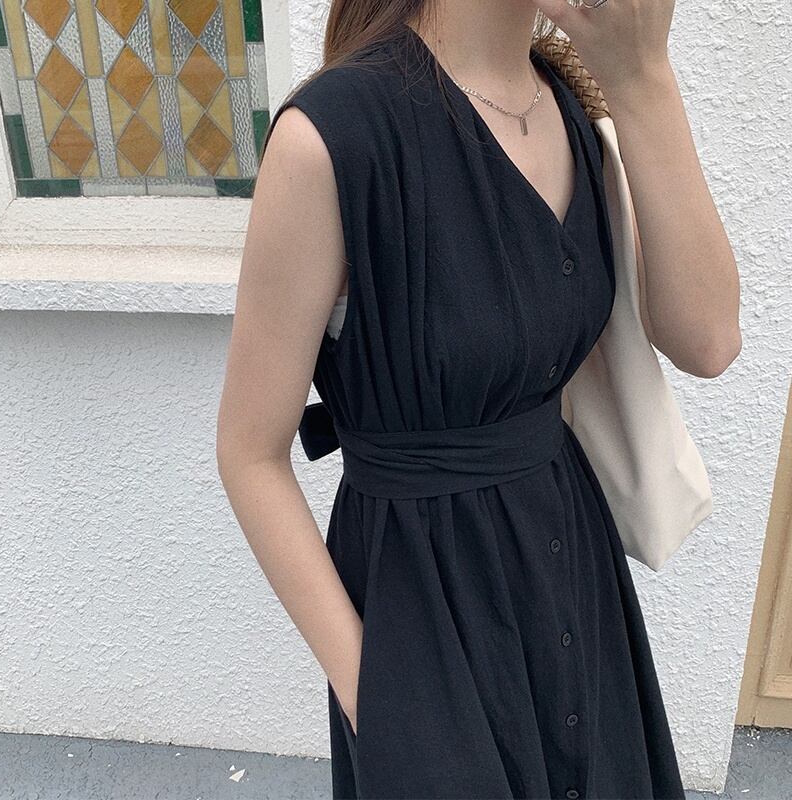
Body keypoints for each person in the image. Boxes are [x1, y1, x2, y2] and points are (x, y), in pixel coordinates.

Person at [216, 1, 741, 797]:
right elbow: (250, 453)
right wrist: (376, 698)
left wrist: (644, 78)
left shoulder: (574, 105)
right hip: (421, 605)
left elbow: (710, 341)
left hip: (572, 569)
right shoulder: (332, 136)